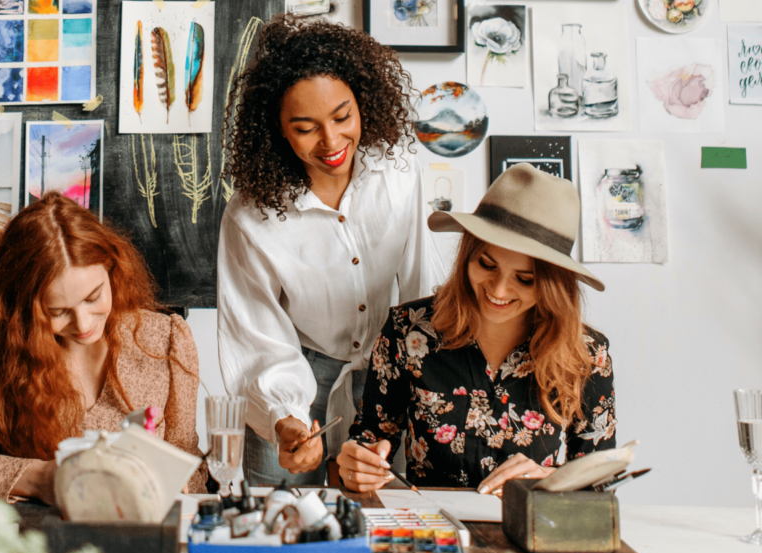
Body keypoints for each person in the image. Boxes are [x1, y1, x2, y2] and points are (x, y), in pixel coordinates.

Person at [218, 14, 428, 486]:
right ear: (278, 130)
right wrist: (285, 419)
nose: (332, 142)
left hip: (386, 374)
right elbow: (257, 337)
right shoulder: (250, 218)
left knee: (376, 528)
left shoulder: (400, 170)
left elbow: (420, 285)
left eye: (342, 117)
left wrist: (418, 381)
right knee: (278, 529)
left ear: (363, 102)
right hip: (293, 376)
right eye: (305, 127)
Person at [0, 193, 207, 503]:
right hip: (36, 542)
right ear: (22, 310)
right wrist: (38, 478)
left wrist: (180, 482)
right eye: (57, 312)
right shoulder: (3, 348)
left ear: (111, 267)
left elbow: (190, 464)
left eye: (94, 296)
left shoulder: (165, 341)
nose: (84, 324)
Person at [337, 163, 616, 495]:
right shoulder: (407, 331)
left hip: (534, 533)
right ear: (468, 253)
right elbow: (368, 440)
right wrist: (358, 464)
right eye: (487, 264)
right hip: (435, 532)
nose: (498, 290)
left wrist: (546, 481)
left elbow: (599, 485)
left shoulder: (586, 353)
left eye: (524, 279)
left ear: (553, 285)